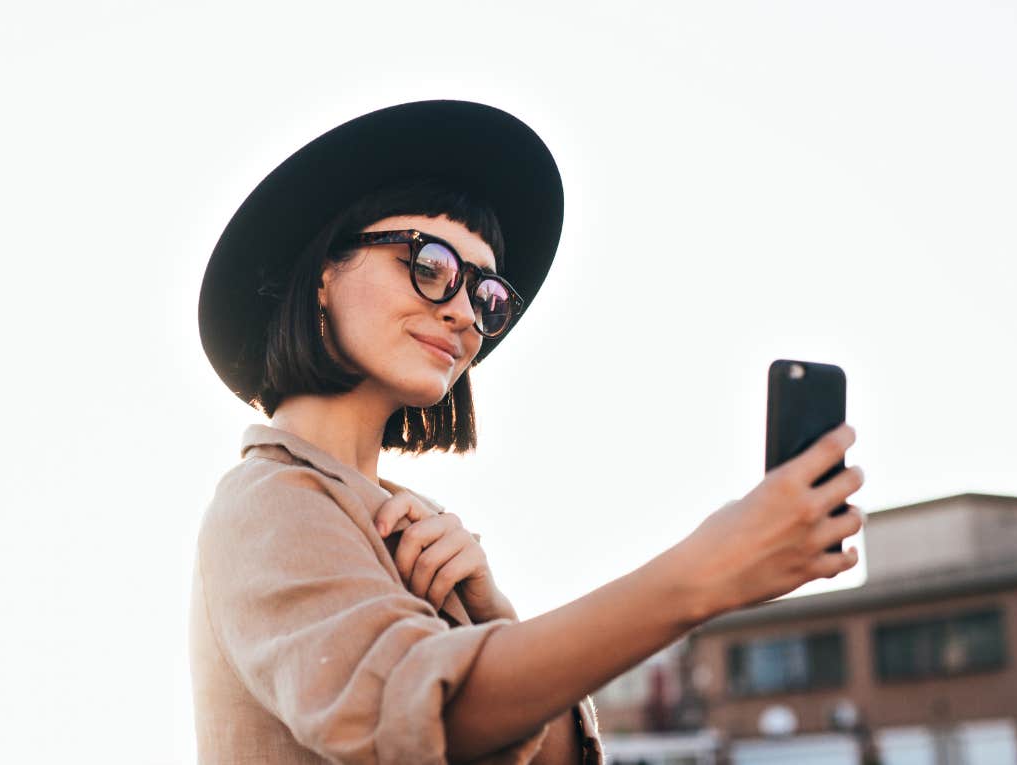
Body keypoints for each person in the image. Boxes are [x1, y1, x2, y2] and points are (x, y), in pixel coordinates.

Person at [189, 100, 866, 764]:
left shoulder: (413, 527)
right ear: (323, 277)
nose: (462, 312)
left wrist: (491, 617)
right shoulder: (270, 501)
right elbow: (422, 718)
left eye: (486, 297)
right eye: (429, 265)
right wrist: (704, 574)